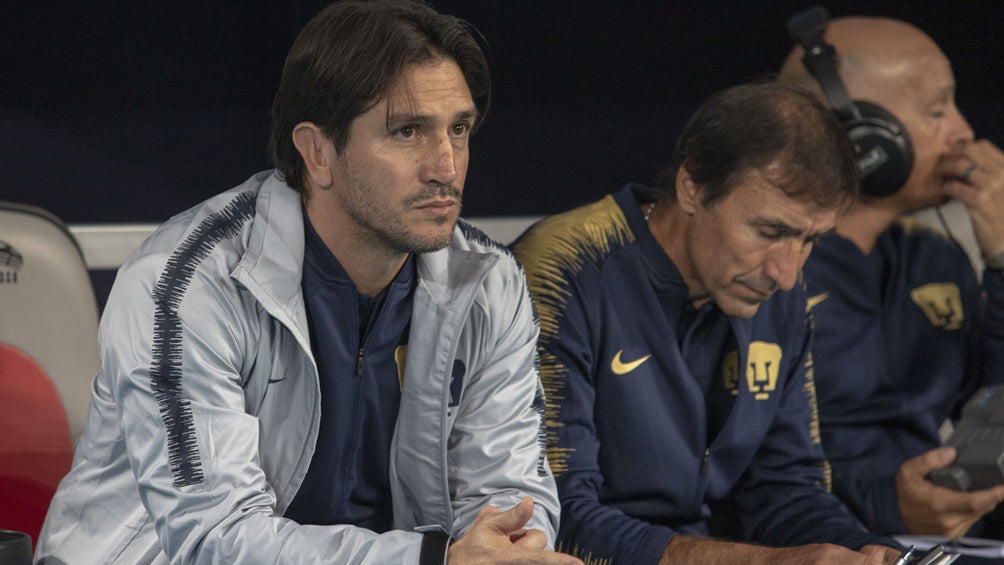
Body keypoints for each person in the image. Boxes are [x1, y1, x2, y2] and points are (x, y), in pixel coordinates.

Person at [34, 2, 580, 564]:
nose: (446, 164)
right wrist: (434, 560)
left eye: (459, 129)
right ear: (318, 153)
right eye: (408, 131)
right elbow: (214, 540)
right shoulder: (182, 285)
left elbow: (510, 499)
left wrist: (506, 550)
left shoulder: (490, 284)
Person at [511, 81, 903, 564]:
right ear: (692, 186)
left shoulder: (778, 291)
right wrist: (762, 563)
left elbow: (785, 488)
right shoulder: (560, 268)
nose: (787, 273)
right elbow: (548, 524)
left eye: (811, 240)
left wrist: (866, 551)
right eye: (770, 231)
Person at [778, 14, 1004, 538]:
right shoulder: (766, 263)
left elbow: (996, 404)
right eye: (936, 110)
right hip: (812, 541)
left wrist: (1002, 260)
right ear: (860, 134)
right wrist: (883, 506)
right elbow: (728, 466)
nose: (964, 132)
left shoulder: (934, 255)